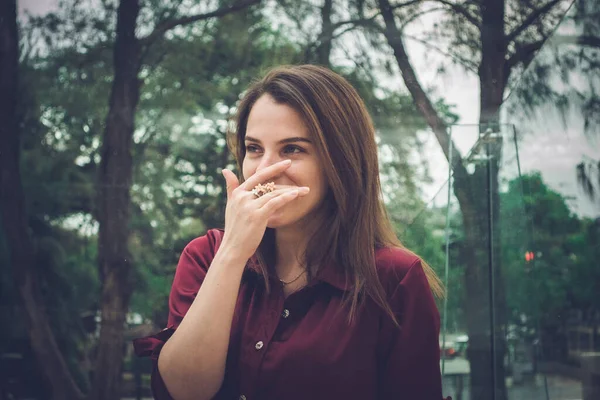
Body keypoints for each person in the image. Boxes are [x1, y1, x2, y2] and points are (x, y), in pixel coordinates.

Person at [133, 65, 449, 400]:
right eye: (254, 148)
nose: (266, 169)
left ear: (339, 162)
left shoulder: (393, 278)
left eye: (292, 149)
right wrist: (232, 254)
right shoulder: (206, 256)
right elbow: (183, 393)